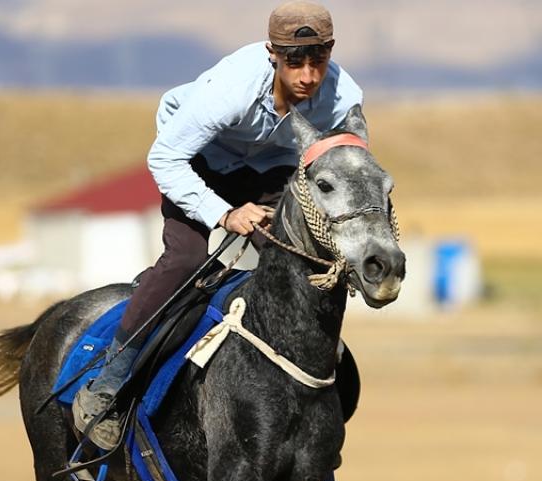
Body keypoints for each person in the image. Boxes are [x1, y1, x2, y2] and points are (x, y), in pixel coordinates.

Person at [73, 0, 363, 449]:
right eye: (294, 62)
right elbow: (164, 158)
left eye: (318, 61)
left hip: (272, 169)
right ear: (273, 54)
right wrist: (225, 214)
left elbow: (347, 171)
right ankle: (109, 381)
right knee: (185, 261)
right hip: (197, 162)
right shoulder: (231, 89)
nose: (308, 75)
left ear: (331, 52)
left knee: (304, 262)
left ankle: (316, 371)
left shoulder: (344, 99)